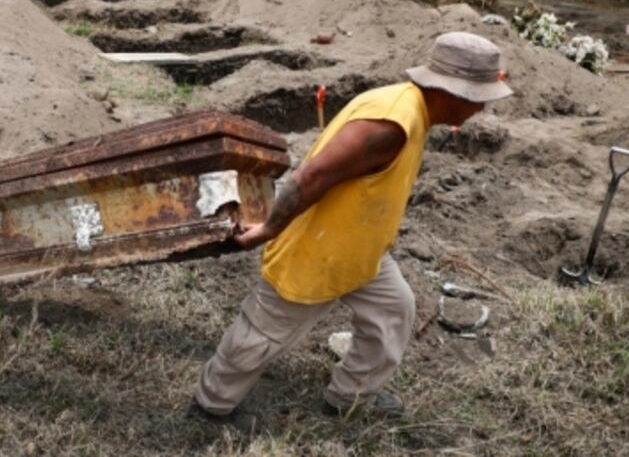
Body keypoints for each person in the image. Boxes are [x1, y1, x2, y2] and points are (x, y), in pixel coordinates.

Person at [192, 32, 512, 419]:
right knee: (260, 336)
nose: (480, 109)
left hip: (359, 251)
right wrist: (268, 230)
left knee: (393, 312)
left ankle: (350, 396)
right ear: (452, 92)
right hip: (317, 250)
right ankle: (212, 404)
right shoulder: (389, 125)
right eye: (478, 99)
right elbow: (309, 177)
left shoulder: (410, 110)